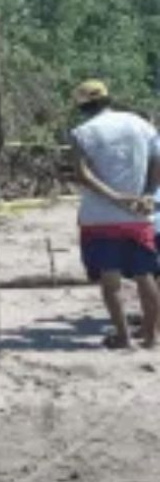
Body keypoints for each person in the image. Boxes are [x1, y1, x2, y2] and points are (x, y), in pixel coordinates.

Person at [68, 79, 160, 349]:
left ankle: (123, 336)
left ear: (83, 106)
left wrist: (115, 197)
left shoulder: (81, 132)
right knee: (145, 275)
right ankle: (152, 336)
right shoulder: (141, 124)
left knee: (111, 278)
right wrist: (148, 193)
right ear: (107, 99)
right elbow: (157, 161)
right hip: (138, 215)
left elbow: (82, 174)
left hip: (100, 216)